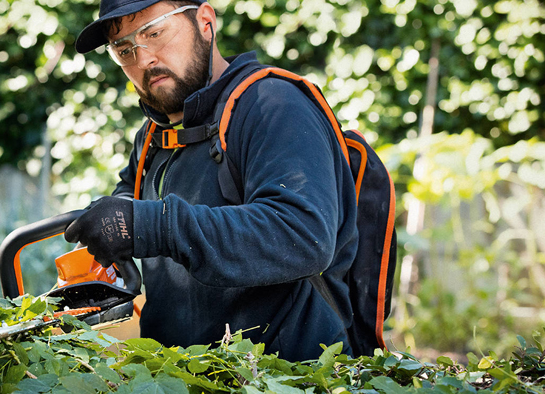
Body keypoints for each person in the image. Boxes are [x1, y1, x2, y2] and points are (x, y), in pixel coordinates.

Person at [62, 0, 359, 361]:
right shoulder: (153, 138)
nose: (143, 60)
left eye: (153, 33)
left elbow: (302, 235)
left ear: (205, 22)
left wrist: (151, 226)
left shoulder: (274, 105)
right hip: (178, 375)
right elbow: (130, 207)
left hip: (285, 375)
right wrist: (107, 253)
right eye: (124, 50)